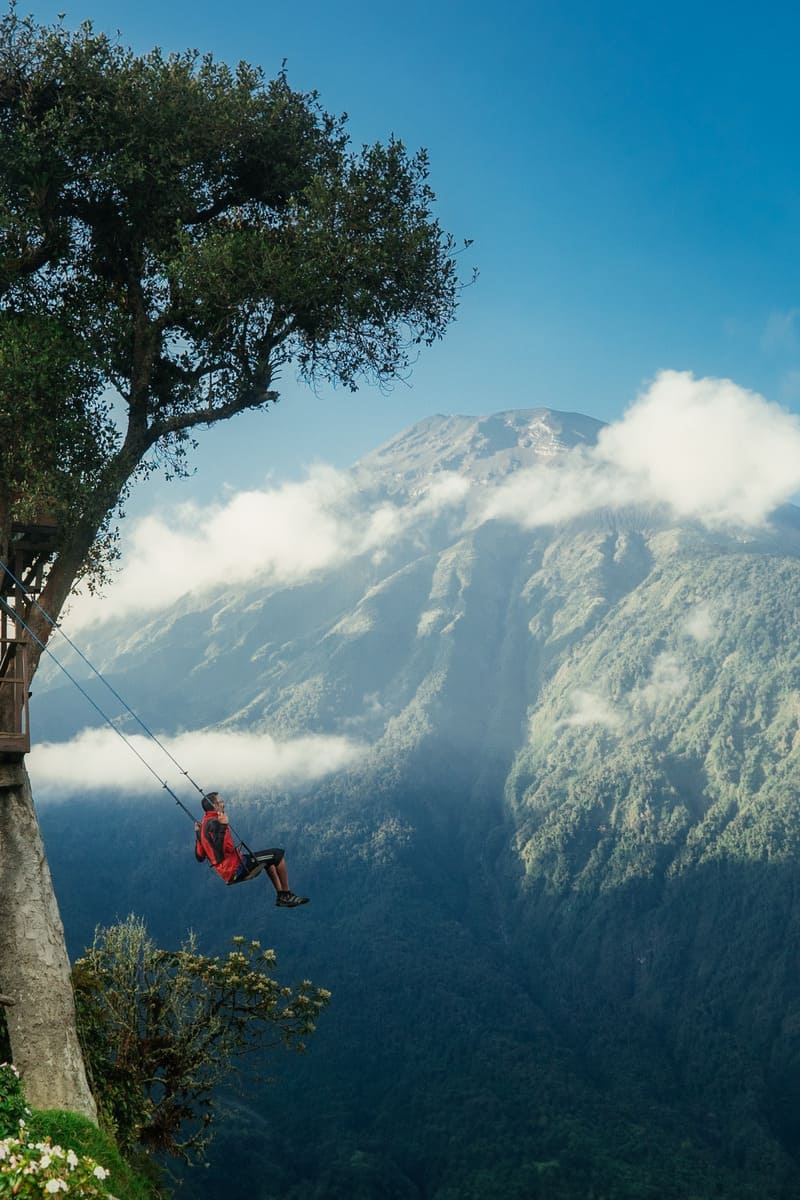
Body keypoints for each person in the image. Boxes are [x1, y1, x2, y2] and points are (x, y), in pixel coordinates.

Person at [194, 791, 309, 907]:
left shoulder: (203, 826)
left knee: (268, 861)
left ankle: (281, 896)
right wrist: (223, 825)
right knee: (278, 854)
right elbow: (220, 849)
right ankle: (287, 894)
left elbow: (200, 857)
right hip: (236, 867)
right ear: (215, 805)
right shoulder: (215, 823)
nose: (223, 804)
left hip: (228, 870)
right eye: (221, 802)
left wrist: (198, 834)